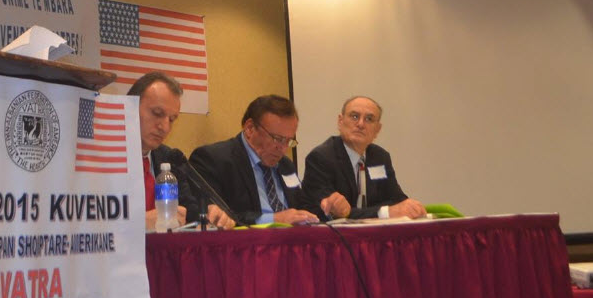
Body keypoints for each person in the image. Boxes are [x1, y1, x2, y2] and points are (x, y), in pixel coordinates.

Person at [189, 95, 345, 226]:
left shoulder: (285, 165)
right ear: (250, 128)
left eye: (289, 141)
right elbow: (217, 217)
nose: (283, 149)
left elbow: (300, 209)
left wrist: (329, 209)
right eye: (277, 139)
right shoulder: (213, 160)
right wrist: (274, 219)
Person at [130, 72, 235, 231]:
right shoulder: (101, 157)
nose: (165, 127)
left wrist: (208, 217)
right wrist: (138, 223)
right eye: (157, 113)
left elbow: (190, 212)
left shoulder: (169, 158)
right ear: (130, 106)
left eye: (171, 120)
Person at [299, 95, 425, 220]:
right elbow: (330, 213)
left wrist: (409, 207)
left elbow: (397, 200)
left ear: (377, 129)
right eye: (354, 116)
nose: (360, 124)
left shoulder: (380, 157)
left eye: (369, 119)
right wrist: (384, 212)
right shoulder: (321, 158)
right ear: (340, 121)